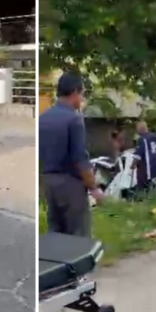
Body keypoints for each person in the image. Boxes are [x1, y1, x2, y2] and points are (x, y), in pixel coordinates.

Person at [39, 72, 103, 237]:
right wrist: (94, 189)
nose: (82, 99)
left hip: (48, 183)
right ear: (75, 92)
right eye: (82, 94)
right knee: (78, 237)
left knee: (56, 234)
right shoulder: (74, 119)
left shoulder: (43, 118)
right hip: (70, 185)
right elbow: (80, 159)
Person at [131, 121, 156, 194]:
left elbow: (138, 156)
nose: (136, 131)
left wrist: (132, 165)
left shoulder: (142, 140)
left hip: (144, 172)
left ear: (141, 129)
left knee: (142, 192)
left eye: (137, 129)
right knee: (152, 190)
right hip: (155, 171)